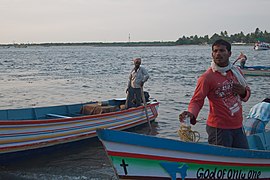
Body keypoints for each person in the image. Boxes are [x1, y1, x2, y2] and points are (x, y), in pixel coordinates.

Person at [179, 39, 251, 149]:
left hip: (238, 127)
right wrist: (191, 113)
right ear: (212, 54)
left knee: (243, 160)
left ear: (229, 54)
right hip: (219, 129)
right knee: (222, 162)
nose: (218, 54)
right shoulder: (207, 77)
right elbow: (197, 100)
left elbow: (247, 95)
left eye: (222, 51)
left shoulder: (236, 72)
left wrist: (243, 92)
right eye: (215, 51)